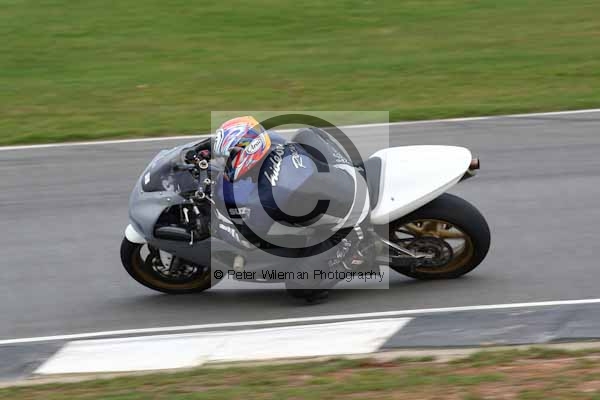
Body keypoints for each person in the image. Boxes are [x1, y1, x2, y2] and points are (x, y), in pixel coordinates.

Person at [192, 116, 372, 302]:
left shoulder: (272, 195)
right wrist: (199, 150)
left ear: (246, 154)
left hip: (352, 217)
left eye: (226, 159)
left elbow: (247, 239)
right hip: (342, 174)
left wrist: (215, 223)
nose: (223, 163)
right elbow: (234, 144)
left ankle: (359, 255)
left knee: (300, 286)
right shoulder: (269, 141)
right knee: (306, 133)